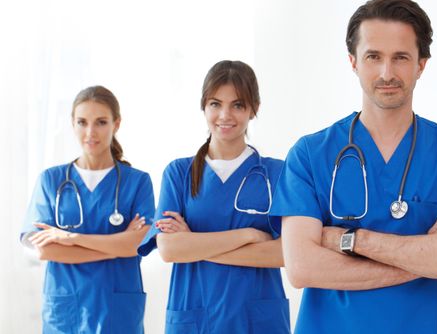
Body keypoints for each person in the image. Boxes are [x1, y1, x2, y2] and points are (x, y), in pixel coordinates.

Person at [270, 0, 437, 334]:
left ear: (421, 64)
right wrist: (426, 258)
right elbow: (302, 267)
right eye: (374, 56)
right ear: (353, 61)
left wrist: (351, 241)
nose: (387, 73)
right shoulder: (310, 154)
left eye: (401, 57)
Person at [138, 60, 290, 334]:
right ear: (203, 107)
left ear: (254, 109)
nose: (225, 115)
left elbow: (286, 253)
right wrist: (249, 236)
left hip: (256, 321)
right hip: (196, 317)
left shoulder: (277, 174)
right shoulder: (179, 173)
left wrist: (194, 245)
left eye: (238, 105)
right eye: (215, 104)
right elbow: (171, 250)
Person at [21, 86, 154, 333]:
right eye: (82, 122)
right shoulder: (51, 180)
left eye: (101, 122)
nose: (90, 132)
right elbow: (45, 250)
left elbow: (137, 243)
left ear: (116, 124)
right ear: (72, 123)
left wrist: (70, 239)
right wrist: (118, 246)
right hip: (67, 315)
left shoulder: (137, 182)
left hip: (117, 313)